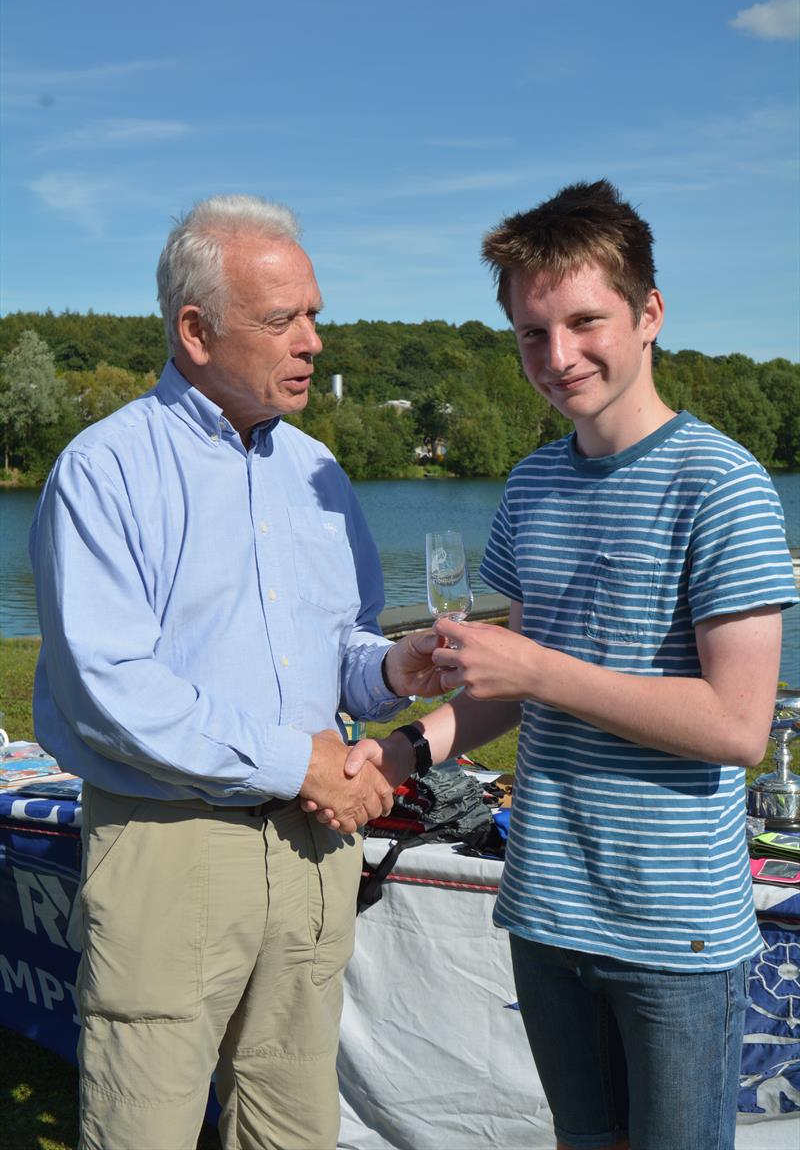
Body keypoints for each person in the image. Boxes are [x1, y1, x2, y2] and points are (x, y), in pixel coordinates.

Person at [334, 181, 799, 1150]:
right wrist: (402, 754)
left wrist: (535, 667)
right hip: (545, 912)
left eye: (583, 322)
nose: (556, 358)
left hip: (674, 933)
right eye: (529, 334)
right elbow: (499, 689)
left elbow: (734, 727)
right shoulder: (530, 481)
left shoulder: (724, 486)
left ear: (647, 315)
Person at [29, 194, 442, 1150]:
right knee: (147, 1124)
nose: (313, 343)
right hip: (170, 845)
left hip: (310, 850)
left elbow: (337, 648)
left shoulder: (318, 473)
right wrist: (299, 761)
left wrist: (392, 668)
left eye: (316, 315)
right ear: (196, 330)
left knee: (293, 1124)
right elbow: (110, 687)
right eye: (282, 319)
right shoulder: (106, 471)